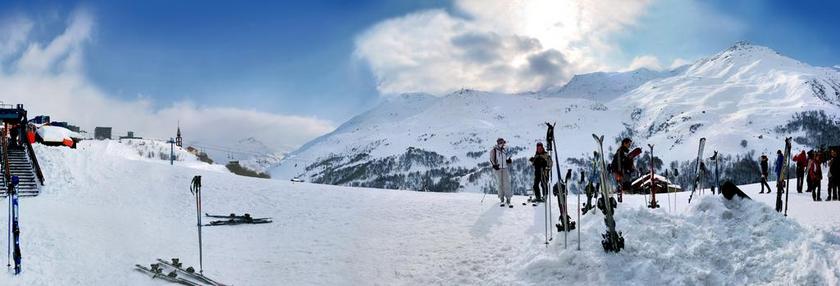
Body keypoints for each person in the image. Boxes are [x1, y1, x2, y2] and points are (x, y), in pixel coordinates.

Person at [489, 138, 513, 207]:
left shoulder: (505, 149)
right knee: (500, 183)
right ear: (497, 143)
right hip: (498, 168)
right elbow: (491, 159)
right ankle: (501, 199)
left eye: (502, 142)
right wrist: (494, 165)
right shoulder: (494, 150)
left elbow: (507, 158)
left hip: (505, 168)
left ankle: (508, 198)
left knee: (507, 183)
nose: (501, 143)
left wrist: (508, 161)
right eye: (499, 142)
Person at [612, 138, 634, 202]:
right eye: (628, 144)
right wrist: (619, 172)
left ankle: (622, 204)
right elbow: (619, 162)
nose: (629, 145)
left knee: (625, 188)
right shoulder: (621, 151)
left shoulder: (625, 152)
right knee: (623, 188)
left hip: (624, 172)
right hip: (621, 172)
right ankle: (621, 205)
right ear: (624, 143)